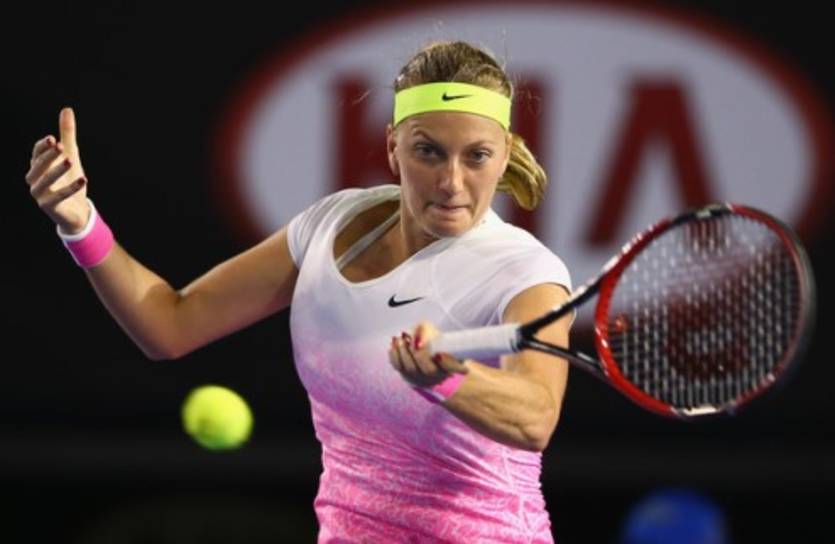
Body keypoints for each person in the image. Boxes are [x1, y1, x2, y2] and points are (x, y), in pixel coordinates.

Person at [26, 40, 573, 542]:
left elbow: (536, 418)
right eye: (428, 151)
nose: (452, 181)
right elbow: (168, 324)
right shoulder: (331, 225)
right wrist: (79, 223)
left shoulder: (525, 271)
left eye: (476, 156)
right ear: (393, 147)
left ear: (505, 154)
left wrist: (450, 377)